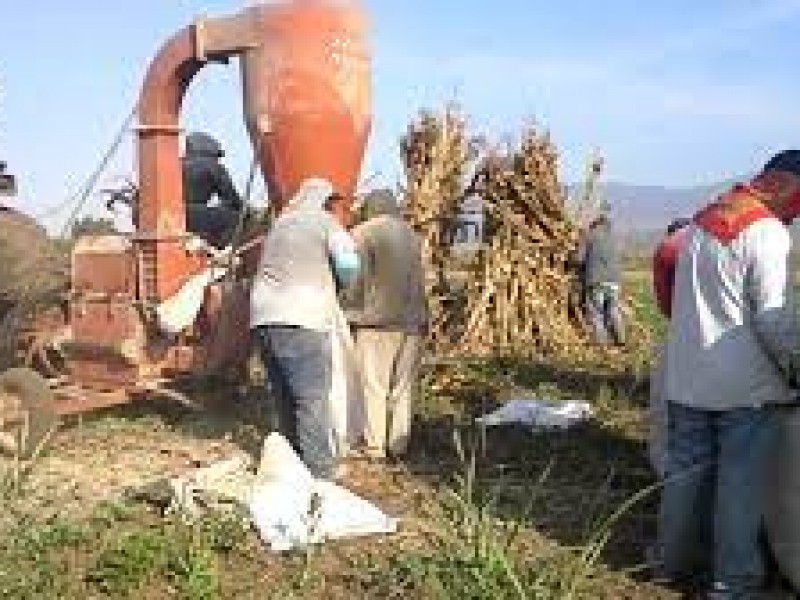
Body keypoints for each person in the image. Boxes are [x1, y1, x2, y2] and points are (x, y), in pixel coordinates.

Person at [657, 150, 800, 599]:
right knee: (740, 487)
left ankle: (670, 564)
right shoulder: (766, 232)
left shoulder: (699, 223)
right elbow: (773, 322)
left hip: (686, 381)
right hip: (746, 389)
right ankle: (732, 582)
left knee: (686, 478)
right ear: (784, 186)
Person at [250, 178, 360, 480]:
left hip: (263, 318)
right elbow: (349, 266)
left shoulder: (280, 224)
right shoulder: (326, 225)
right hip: (302, 317)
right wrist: (342, 288)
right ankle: (320, 472)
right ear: (326, 203)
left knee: (284, 396)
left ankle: (291, 464)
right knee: (312, 398)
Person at [345, 189, 427, 460]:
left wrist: (347, 312)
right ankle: (399, 445)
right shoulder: (411, 236)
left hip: (374, 322)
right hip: (412, 322)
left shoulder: (362, 234)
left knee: (373, 385)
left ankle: (374, 446)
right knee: (403, 386)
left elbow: (352, 278)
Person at [182, 132, 243, 248]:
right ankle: (223, 252)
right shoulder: (214, 167)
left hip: (172, 216)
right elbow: (233, 200)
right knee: (238, 217)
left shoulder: (175, 163)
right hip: (194, 216)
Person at [582, 214, 625, 345]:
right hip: (615, 282)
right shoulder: (615, 239)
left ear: (595, 225)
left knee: (596, 313)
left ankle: (602, 343)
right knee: (613, 310)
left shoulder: (590, 236)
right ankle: (621, 339)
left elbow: (578, 259)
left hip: (597, 282)